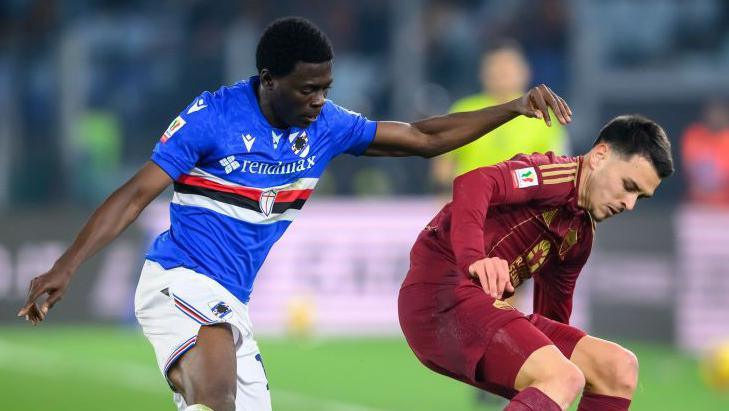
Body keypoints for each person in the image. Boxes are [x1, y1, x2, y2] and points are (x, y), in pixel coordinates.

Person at [17, 17, 571, 411]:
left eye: (325, 88)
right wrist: (68, 264)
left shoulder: (325, 124)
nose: (317, 100)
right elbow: (137, 193)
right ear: (268, 79)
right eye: (307, 89)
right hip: (177, 280)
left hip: (232, 297)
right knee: (218, 394)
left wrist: (512, 108)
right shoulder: (213, 118)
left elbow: (424, 137)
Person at [399, 114, 673, 411]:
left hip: (473, 310)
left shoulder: (579, 236)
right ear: (599, 156)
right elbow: (474, 182)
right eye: (628, 185)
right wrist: (474, 259)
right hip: (439, 295)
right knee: (564, 377)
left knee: (618, 369)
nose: (629, 204)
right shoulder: (553, 173)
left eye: (640, 198)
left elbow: (552, 320)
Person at [432, 40, 569, 193]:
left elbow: (553, 172)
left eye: (508, 66)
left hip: (521, 207)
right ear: (482, 73)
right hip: (470, 202)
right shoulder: (464, 110)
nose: (501, 72)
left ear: (525, 71)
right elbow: (443, 167)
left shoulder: (543, 116)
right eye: (495, 66)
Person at [681, 99, 729, 206]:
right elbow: (691, 168)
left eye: (720, 113)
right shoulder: (694, 134)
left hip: (725, 205)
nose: (715, 117)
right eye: (712, 112)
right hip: (698, 203)